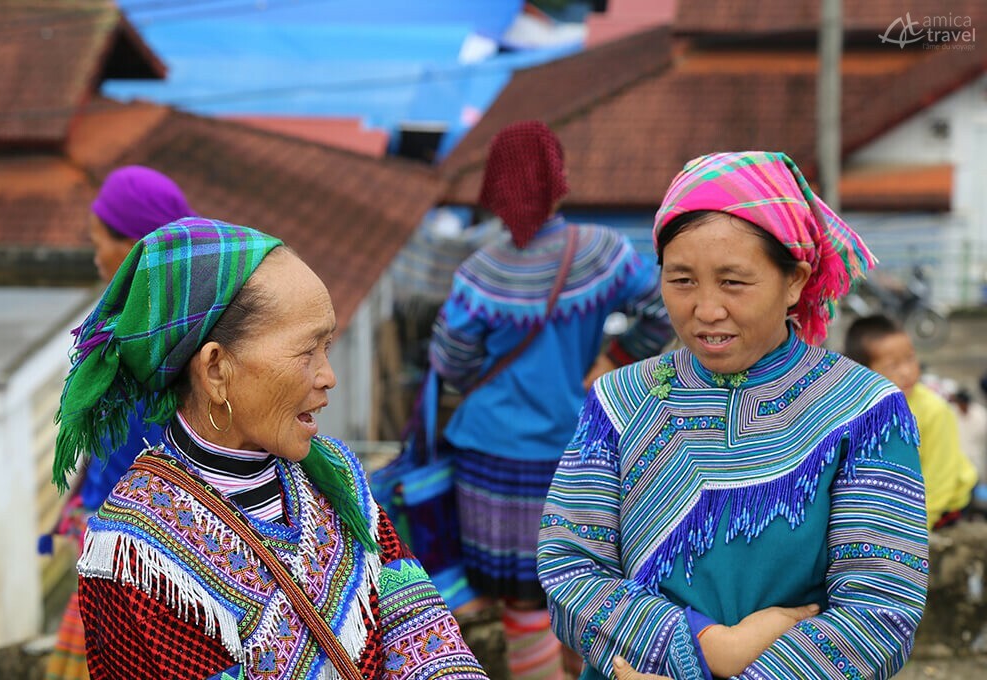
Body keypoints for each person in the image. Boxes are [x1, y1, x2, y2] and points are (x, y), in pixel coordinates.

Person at [538, 151, 929, 679]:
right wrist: (709, 647)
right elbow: (570, 566)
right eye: (681, 281)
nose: (705, 310)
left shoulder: (864, 411)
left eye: (733, 282)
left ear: (794, 280)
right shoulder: (618, 400)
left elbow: (881, 607)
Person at [53, 218, 488, 680]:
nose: (328, 376)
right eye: (307, 352)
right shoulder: (140, 557)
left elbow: (417, 626)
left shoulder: (334, 477)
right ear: (216, 369)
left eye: (327, 345)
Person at [429, 120, 674, 680]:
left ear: (492, 187)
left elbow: (451, 360)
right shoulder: (603, 252)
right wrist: (612, 359)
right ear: (558, 178)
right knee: (588, 584)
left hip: (489, 455)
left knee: (521, 600)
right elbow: (665, 307)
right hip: (580, 448)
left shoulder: (478, 272)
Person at [44, 165, 195, 680]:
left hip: (132, 549)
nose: (94, 255)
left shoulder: (125, 339)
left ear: (133, 246)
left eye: (98, 241)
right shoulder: (193, 321)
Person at [844, 313, 978, 529]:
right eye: (892, 366)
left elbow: (939, 482)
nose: (907, 372)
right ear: (862, 372)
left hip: (945, 500)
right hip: (900, 493)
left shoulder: (934, 411)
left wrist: (912, 531)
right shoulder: (856, 410)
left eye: (910, 358)